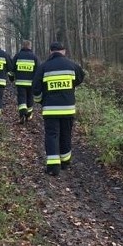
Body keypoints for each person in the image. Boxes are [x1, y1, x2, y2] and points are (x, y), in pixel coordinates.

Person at [32, 41, 86, 176]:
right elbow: (80, 78)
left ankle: (53, 167)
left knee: (52, 135)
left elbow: (36, 88)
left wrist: (40, 101)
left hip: (50, 109)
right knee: (66, 134)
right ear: (64, 51)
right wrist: (70, 87)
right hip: (68, 108)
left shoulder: (44, 67)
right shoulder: (72, 65)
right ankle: (65, 162)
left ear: (51, 51)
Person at [11, 39, 38, 124]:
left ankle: (22, 113)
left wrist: (11, 78)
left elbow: (12, 68)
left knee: (22, 97)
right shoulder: (34, 57)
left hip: (20, 82)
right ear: (30, 46)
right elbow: (38, 70)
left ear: (22, 46)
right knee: (30, 98)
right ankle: (28, 115)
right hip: (31, 83)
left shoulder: (17, 56)